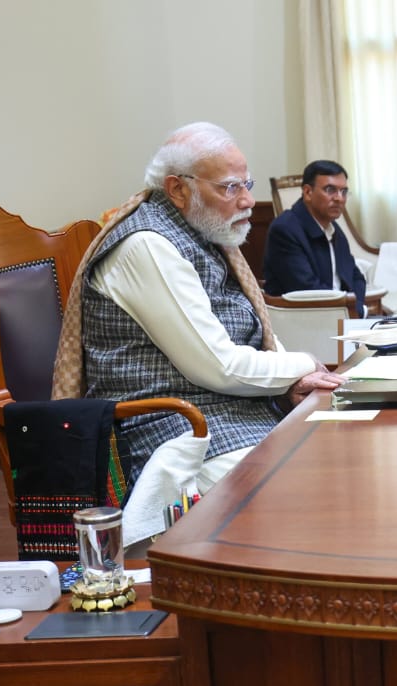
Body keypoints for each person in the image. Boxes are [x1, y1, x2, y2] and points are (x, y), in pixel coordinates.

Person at [52, 121, 342, 491]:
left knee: (337, 454)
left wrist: (293, 380)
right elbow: (220, 367)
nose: (247, 200)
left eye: (247, 185)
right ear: (178, 189)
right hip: (174, 428)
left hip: (229, 412)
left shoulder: (203, 232)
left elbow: (253, 332)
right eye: (230, 187)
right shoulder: (148, 245)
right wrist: (303, 365)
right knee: (308, 483)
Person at [262, 159, 370, 316]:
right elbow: (308, 291)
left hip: (339, 316)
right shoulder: (285, 229)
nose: (339, 198)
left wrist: (356, 309)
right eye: (330, 190)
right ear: (308, 192)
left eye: (344, 191)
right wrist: (352, 311)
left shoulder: (334, 229)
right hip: (304, 321)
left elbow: (356, 277)